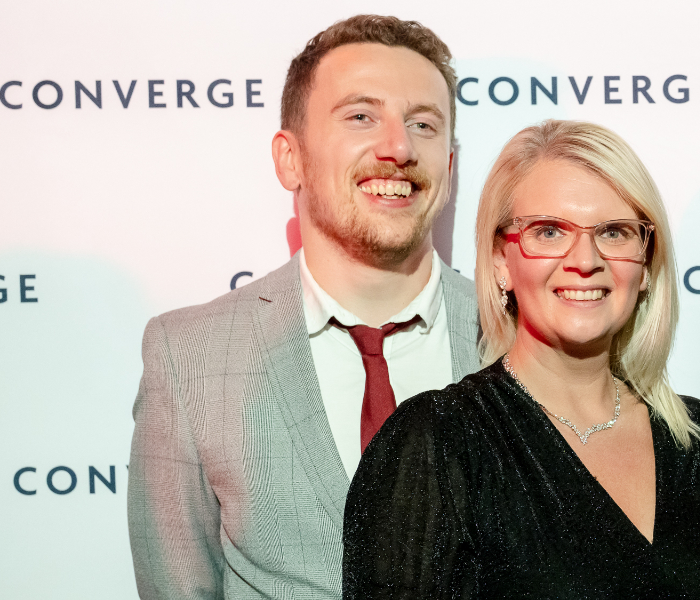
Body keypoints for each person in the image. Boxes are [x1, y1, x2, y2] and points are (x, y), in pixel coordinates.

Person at [343, 120, 700, 599]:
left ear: (647, 264)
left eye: (614, 232)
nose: (585, 259)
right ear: (502, 262)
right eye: (549, 232)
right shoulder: (438, 444)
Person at [126, 15, 478, 599]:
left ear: (448, 162)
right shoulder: (187, 355)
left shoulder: (520, 335)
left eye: (423, 123)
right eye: (361, 116)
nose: (398, 147)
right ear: (290, 158)